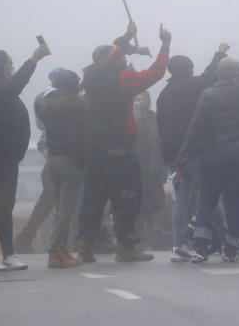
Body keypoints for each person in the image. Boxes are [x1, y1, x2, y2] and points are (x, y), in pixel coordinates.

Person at [78, 22, 170, 263]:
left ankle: (85, 246)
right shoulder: (121, 80)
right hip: (120, 149)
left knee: (93, 199)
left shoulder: (91, 79)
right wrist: (165, 46)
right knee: (127, 198)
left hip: (96, 150)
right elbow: (155, 73)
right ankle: (126, 246)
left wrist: (127, 38)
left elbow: (111, 55)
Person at [0, 44, 50, 271]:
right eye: (8, 63)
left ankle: (8, 254)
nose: (11, 67)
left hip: (7, 155)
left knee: (5, 206)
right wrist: (34, 59)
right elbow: (16, 84)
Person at [177, 57, 239, 263]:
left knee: (208, 200)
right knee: (236, 201)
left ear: (218, 73)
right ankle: (232, 246)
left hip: (213, 152)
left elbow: (195, 127)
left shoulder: (208, 95)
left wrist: (183, 153)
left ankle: (202, 246)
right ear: (237, 73)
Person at [157, 44, 229, 262]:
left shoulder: (163, 94)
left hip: (173, 156)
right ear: (188, 69)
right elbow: (209, 76)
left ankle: (177, 245)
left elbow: (160, 127)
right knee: (210, 195)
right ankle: (229, 241)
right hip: (195, 152)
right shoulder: (191, 86)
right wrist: (219, 52)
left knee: (181, 199)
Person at [33, 69, 87, 268]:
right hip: (71, 160)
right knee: (67, 209)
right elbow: (82, 135)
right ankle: (56, 252)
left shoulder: (46, 106)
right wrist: (84, 159)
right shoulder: (78, 106)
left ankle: (61, 250)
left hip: (53, 159)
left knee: (59, 206)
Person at [14, 69, 64, 255]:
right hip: (60, 160)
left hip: (57, 160)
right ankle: (49, 241)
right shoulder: (52, 104)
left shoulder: (49, 102)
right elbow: (43, 129)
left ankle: (27, 238)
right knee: (54, 201)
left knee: (49, 202)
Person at [133, 91, 166, 250]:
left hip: (151, 166)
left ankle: (154, 235)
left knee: (154, 202)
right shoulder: (131, 118)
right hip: (135, 166)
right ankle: (137, 236)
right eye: (137, 99)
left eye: (142, 98)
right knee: (136, 203)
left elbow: (160, 142)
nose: (140, 101)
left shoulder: (155, 118)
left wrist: (162, 166)